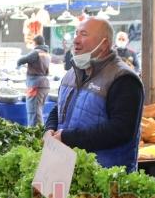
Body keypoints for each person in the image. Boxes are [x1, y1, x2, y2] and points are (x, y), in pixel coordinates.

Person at [45, 17, 144, 172]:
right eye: (76, 33)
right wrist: (50, 128)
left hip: (105, 177)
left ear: (104, 44)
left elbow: (121, 130)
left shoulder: (123, 79)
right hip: (67, 170)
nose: (76, 40)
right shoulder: (72, 73)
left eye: (83, 34)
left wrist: (68, 138)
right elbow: (59, 108)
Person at [17, 34, 50, 126]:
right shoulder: (46, 53)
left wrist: (18, 65)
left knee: (33, 112)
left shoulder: (36, 52)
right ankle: (39, 134)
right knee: (38, 111)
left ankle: (35, 135)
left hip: (35, 85)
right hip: (44, 85)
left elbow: (21, 60)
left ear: (34, 43)